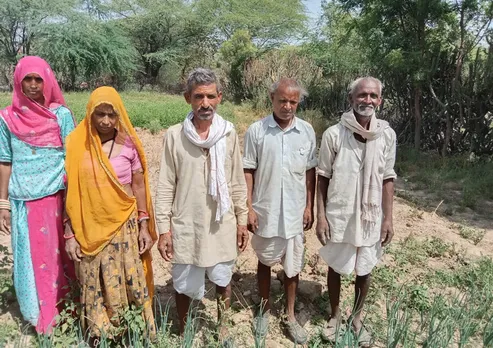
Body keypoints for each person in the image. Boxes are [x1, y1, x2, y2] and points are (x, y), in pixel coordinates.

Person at [155, 68, 249, 345]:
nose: (205, 103)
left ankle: (222, 330)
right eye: (198, 97)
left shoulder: (228, 134)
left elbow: (236, 181)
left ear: (219, 97)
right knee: (183, 282)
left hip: (221, 221)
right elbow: (165, 186)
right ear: (188, 99)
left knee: (222, 278)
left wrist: (242, 220)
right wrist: (163, 230)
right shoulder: (174, 136)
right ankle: (184, 330)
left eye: (210, 96)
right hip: (187, 222)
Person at [64, 86, 157, 339]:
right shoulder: (76, 143)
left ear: (119, 116)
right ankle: (100, 336)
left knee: (128, 280)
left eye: (111, 115)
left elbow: (138, 185)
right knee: (95, 282)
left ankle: (132, 333)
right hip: (89, 229)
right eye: (100, 114)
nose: (106, 121)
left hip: (124, 226)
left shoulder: (129, 144)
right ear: (90, 114)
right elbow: (70, 191)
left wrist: (143, 224)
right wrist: (69, 231)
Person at [316, 77, 396, 346]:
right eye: (362, 95)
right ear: (351, 99)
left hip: (370, 215)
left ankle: (357, 317)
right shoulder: (334, 134)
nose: (368, 101)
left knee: (365, 267)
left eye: (373, 96)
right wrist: (321, 215)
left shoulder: (386, 134)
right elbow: (323, 177)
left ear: (380, 101)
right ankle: (336, 315)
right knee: (336, 265)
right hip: (340, 211)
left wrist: (388, 218)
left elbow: (388, 178)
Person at [0, 56, 76, 334]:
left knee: (60, 258)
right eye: (27, 80)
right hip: (23, 200)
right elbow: (5, 161)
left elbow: (73, 157)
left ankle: (67, 310)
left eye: (38, 79)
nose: (33, 85)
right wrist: (3, 203)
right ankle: (39, 316)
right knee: (31, 259)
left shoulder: (61, 116)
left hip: (56, 198)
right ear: (18, 82)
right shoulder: (6, 118)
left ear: (48, 81)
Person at [243, 78, 317, 344]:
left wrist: (310, 205)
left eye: (293, 101)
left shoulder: (307, 131)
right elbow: (248, 170)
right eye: (282, 100)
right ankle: (263, 310)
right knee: (264, 260)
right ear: (272, 98)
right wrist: (248, 208)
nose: (287, 106)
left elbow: (311, 172)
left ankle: (289, 314)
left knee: (293, 265)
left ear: (298, 102)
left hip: (296, 211)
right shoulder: (257, 130)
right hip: (267, 209)